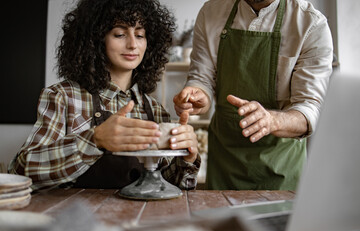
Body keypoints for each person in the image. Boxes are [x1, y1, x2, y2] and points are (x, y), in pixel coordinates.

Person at [8, 0, 200, 190]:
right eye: (119, 34)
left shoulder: (155, 110)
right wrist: (94, 140)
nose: (133, 44)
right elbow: (20, 170)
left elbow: (169, 184)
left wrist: (188, 157)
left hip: (139, 219)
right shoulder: (63, 97)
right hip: (78, 218)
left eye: (140, 35)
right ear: (96, 39)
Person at [173, 0, 333, 190]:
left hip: (281, 167)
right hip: (225, 162)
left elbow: (310, 108)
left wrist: (273, 121)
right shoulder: (211, 12)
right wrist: (198, 96)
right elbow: (202, 78)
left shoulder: (310, 23)